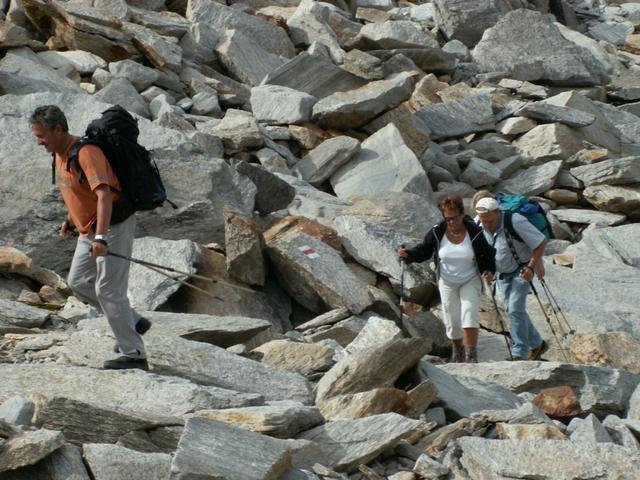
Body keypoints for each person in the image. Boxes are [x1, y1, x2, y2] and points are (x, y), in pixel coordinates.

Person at [30, 105, 150, 370]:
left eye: (41, 136)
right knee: (79, 281)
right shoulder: (59, 154)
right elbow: (77, 192)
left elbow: (104, 195)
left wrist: (101, 238)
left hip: (112, 225)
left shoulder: (87, 152)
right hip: (89, 228)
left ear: (58, 129)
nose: (39, 142)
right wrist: (71, 220)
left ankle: (135, 355)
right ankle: (133, 321)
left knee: (108, 289)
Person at [398, 195, 496, 363]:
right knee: (451, 318)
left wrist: (489, 270)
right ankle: (458, 352)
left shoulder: (474, 231)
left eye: (455, 218)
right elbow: (425, 250)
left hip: (470, 279)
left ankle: (471, 355)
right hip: (447, 281)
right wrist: (408, 255)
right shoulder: (437, 231)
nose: (452, 222)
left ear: (462, 213)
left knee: (469, 313)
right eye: (448, 218)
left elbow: (488, 253)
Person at [475, 197, 548, 361]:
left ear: (498, 212)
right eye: (483, 221)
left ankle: (519, 352)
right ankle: (537, 343)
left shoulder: (515, 221)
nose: (487, 224)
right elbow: (481, 249)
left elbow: (540, 242)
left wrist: (532, 267)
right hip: (501, 273)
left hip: (522, 269)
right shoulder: (478, 224)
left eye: (490, 221)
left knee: (514, 308)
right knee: (512, 310)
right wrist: (488, 269)